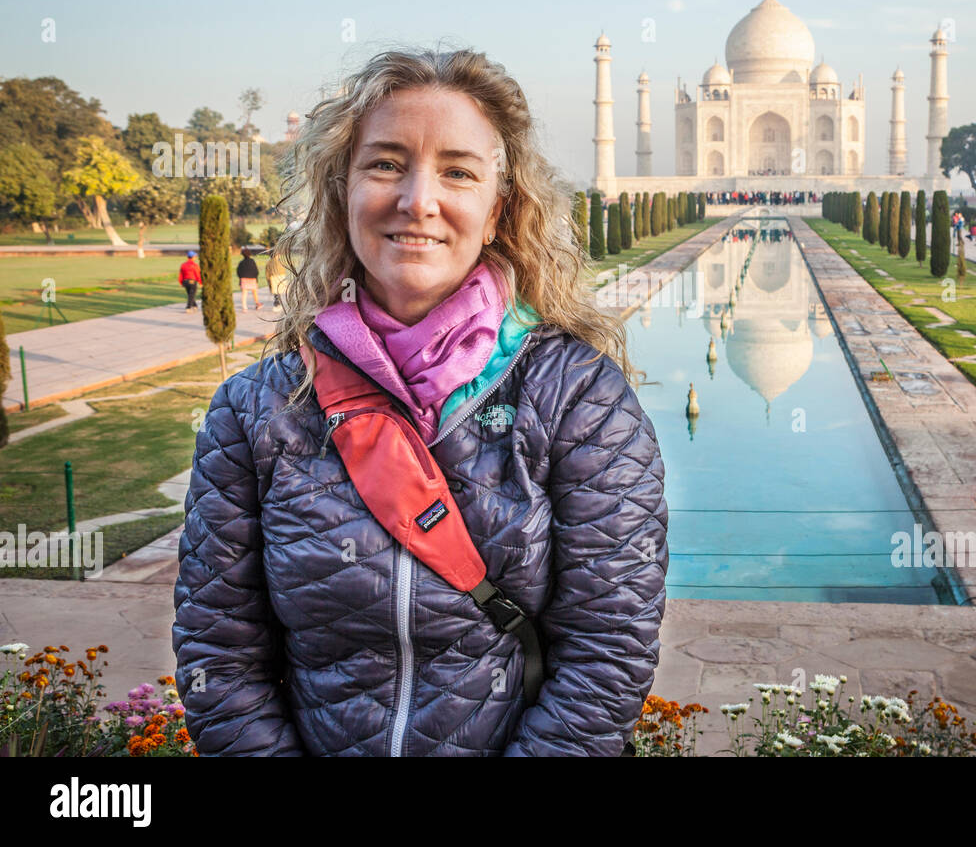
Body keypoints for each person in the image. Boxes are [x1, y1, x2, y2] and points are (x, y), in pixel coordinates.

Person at [173, 47, 668, 757]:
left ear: (499, 209)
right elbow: (217, 651)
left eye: (457, 172)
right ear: (342, 191)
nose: (418, 201)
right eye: (385, 163)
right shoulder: (259, 410)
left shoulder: (578, 400)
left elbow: (606, 654)